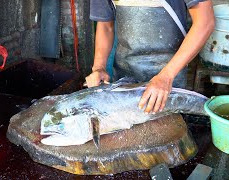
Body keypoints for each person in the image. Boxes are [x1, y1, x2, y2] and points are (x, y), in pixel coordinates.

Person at [85, 0, 215, 114]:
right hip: (124, 78)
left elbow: (205, 22)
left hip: (169, 79)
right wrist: (99, 67)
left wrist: (166, 77)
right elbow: (105, 26)